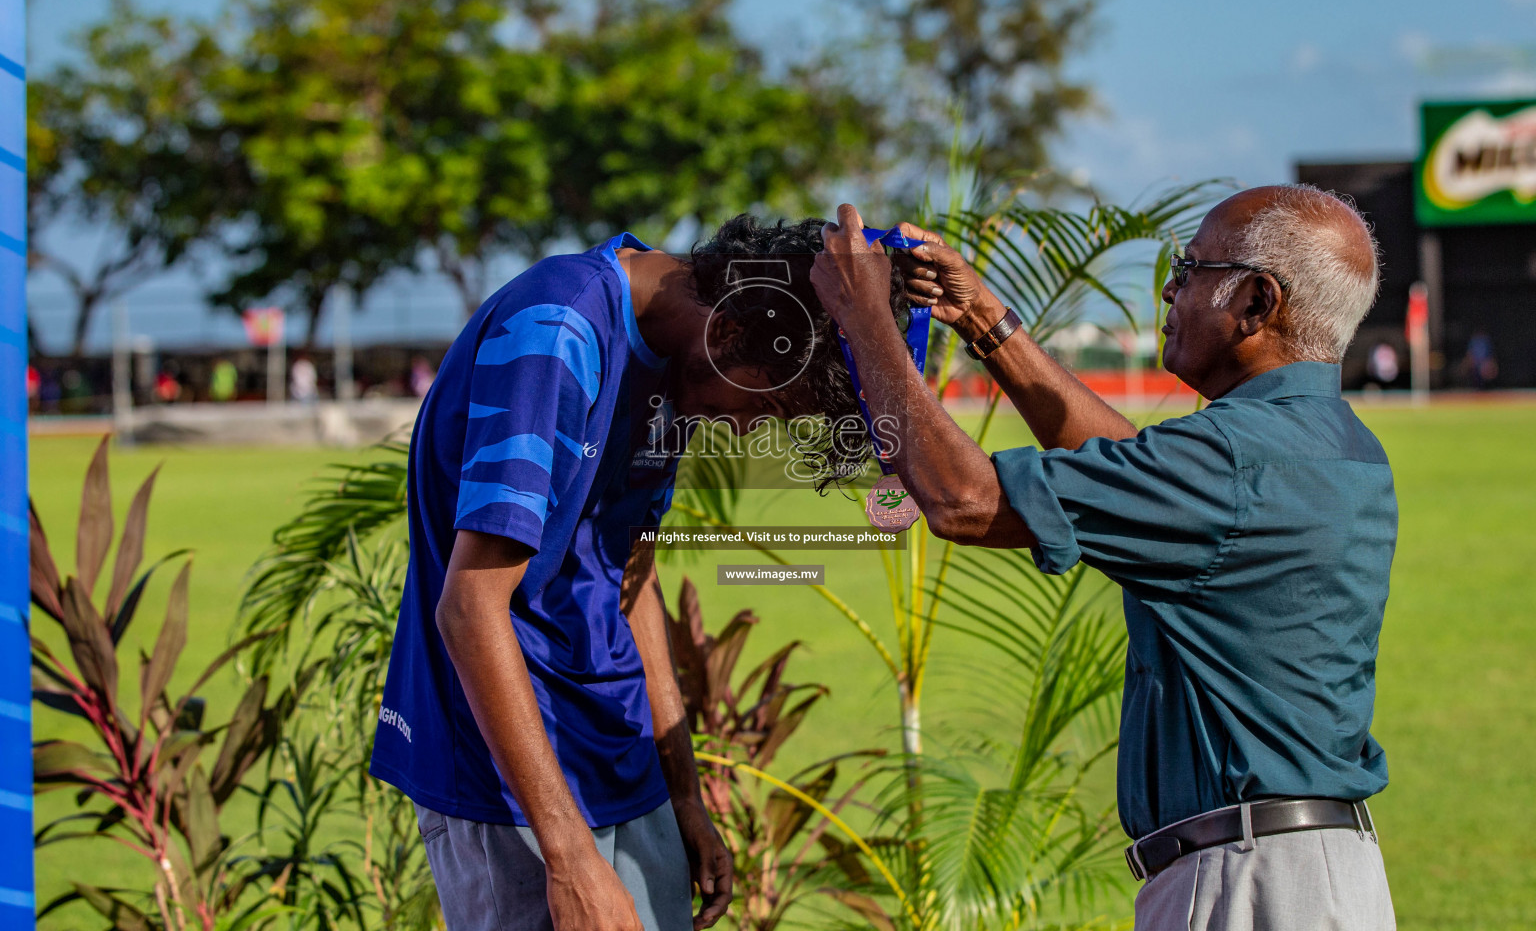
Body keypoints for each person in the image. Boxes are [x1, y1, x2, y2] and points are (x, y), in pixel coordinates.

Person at [810, 187, 1397, 931]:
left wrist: (865, 320)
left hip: (1249, 884)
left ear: (1255, 303)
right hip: (1314, 870)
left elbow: (962, 500)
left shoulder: (1232, 461)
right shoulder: (1332, 445)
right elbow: (1131, 470)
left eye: (1190, 268)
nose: (1170, 288)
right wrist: (987, 321)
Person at [371, 217, 886, 931]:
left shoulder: (671, 371)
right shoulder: (559, 329)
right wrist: (571, 860)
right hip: (513, 786)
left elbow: (628, 574)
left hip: (619, 764)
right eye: (764, 407)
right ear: (730, 332)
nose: (743, 430)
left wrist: (684, 798)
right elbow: (469, 609)